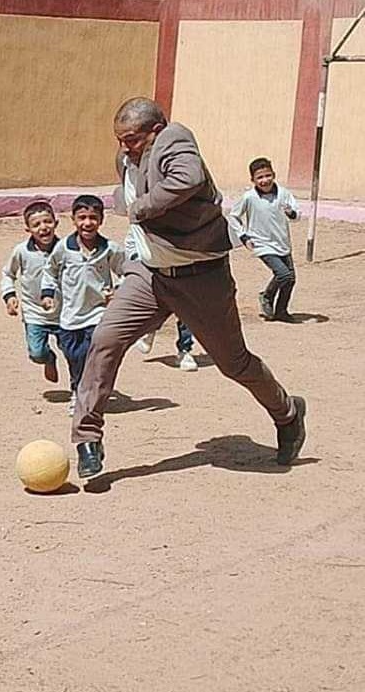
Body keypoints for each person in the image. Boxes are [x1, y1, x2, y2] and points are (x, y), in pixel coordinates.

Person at [73, 98, 306, 477]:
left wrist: (140, 208)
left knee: (234, 363)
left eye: (131, 139)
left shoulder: (174, 138)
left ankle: (288, 413)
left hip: (201, 277)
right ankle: (87, 438)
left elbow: (187, 178)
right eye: (119, 140)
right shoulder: (127, 158)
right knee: (105, 339)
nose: (124, 148)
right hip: (150, 275)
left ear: (156, 130)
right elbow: (129, 192)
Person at [41, 194, 125, 415]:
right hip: (69, 316)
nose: (88, 223)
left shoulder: (110, 249)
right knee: (74, 358)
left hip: (98, 314)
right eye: (82, 218)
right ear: (73, 220)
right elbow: (50, 272)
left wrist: (118, 291)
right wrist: (48, 294)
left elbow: (127, 271)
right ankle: (76, 389)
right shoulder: (63, 248)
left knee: (93, 355)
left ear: (101, 220)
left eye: (93, 218)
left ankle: (86, 396)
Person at [125, 198, 198, 372]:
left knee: (186, 311)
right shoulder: (144, 220)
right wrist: (139, 261)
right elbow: (131, 243)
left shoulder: (187, 222)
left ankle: (185, 350)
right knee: (161, 305)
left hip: (183, 272)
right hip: (154, 272)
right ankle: (150, 330)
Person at [1, 200, 65, 384]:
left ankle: (78, 388)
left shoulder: (66, 249)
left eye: (48, 222)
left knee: (73, 353)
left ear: (56, 223)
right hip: (35, 313)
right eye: (36, 224)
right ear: (28, 229)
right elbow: (8, 274)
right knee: (37, 353)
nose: (43, 227)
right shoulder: (22, 251)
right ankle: (48, 358)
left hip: (65, 312)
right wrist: (9, 295)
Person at [228, 157, 300, 322]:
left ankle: (281, 311)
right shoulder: (249, 197)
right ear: (252, 180)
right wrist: (244, 236)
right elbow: (233, 216)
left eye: (268, 175)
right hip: (262, 244)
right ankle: (266, 296)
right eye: (259, 177)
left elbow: (296, 215)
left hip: (282, 242)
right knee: (284, 275)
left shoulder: (284, 194)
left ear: (274, 175)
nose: (264, 180)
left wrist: (291, 213)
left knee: (290, 280)